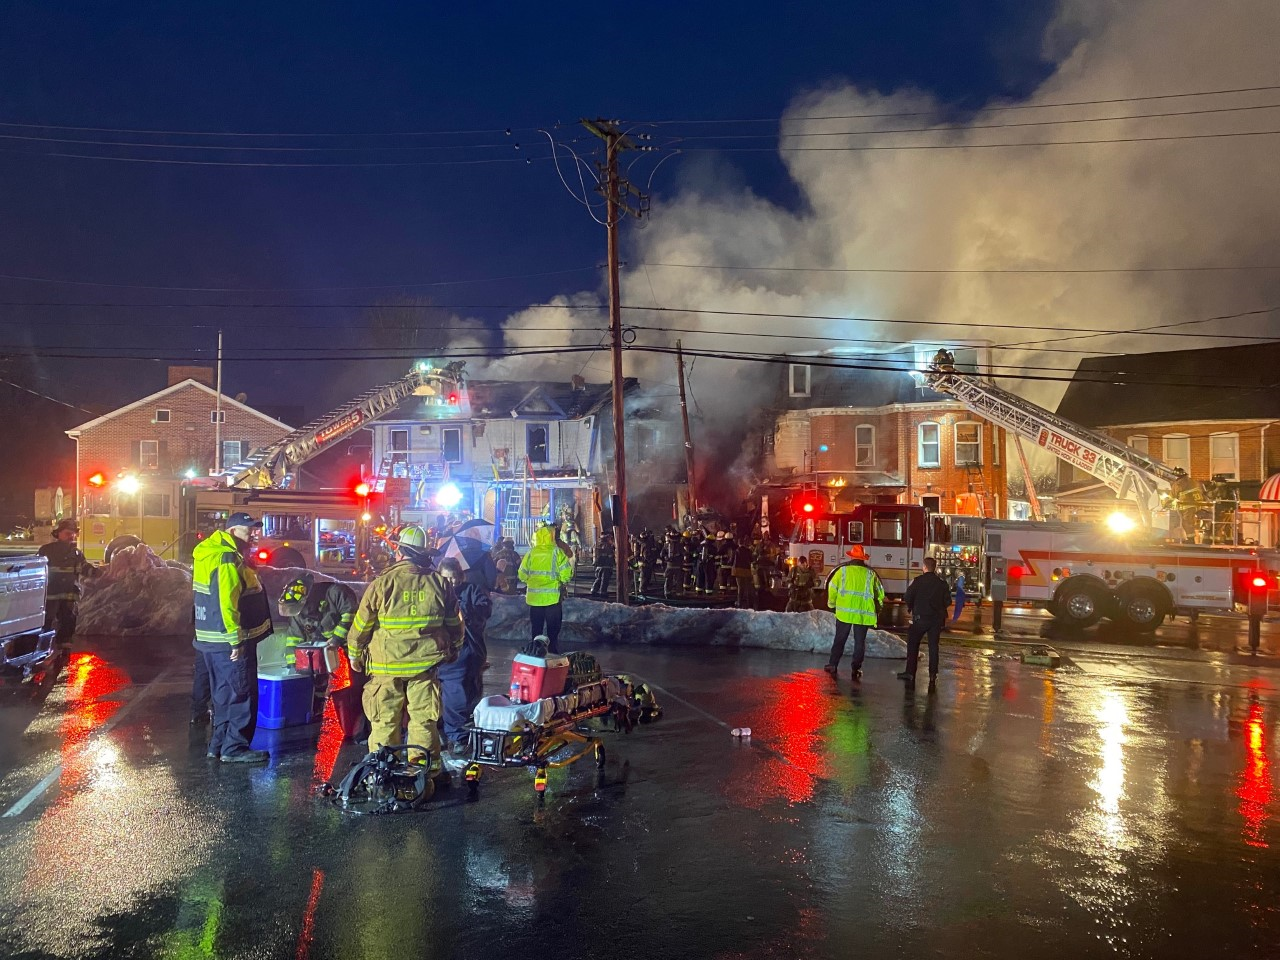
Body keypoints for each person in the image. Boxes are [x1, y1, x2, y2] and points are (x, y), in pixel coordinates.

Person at [347, 525, 462, 774]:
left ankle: (383, 773)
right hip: (425, 666)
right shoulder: (440, 584)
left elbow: (361, 625)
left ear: (399, 551)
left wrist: (355, 654)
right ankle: (424, 775)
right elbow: (455, 625)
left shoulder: (382, 583)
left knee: (385, 721)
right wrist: (453, 649)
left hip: (385, 666)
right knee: (423, 721)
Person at [193, 512, 274, 763]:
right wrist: (235, 640)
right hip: (230, 642)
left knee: (224, 694)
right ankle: (235, 748)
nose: (253, 534)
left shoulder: (212, 553)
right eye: (247, 529)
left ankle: (217, 745)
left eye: (254, 529)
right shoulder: (228, 558)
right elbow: (226, 602)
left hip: (211, 640)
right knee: (242, 693)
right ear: (232, 532)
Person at [436, 557, 492, 753]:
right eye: (446, 578)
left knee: (466, 694)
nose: (451, 582)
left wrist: (465, 612)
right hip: (444, 655)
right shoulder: (435, 594)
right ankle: (452, 733)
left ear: (460, 576)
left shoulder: (472, 590)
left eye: (454, 578)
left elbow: (484, 610)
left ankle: (458, 732)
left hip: (467, 651)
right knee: (449, 696)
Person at [824, 545, 885, 681]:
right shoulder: (870, 574)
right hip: (862, 614)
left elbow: (832, 588)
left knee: (840, 639)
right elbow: (880, 594)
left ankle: (833, 664)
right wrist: (878, 608)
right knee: (859, 642)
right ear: (863, 558)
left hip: (844, 613)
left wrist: (832, 604)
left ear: (851, 556)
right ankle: (856, 668)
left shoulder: (842, 571)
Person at [278, 573, 359, 666]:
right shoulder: (297, 611)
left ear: (307, 600)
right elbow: (294, 639)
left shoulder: (336, 593)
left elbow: (351, 616)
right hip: (323, 657)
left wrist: (336, 639)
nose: (301, 613)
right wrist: (293, 664)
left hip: (350, 650)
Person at [517, 523, 575, 652]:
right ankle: (552, 650)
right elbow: (566, 574)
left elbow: (522, 574)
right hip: (552, 598)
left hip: (534, 599)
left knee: (536, 627)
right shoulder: (557, 552)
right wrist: (561, 581)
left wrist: (531, 581)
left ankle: (535, 650)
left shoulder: (531, 553)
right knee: (553, 628)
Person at [38, 518, 95, 647]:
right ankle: (43, 650)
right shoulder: (46, 550)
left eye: (73, 533)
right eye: (67, 533)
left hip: (69, 594)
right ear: (58, 534)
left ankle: (63, 651)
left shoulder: (76, 553)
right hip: (51, 594)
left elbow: (84, 568)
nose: (71, 536)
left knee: (68, 622)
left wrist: (98, 572)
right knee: (47, 621)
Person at [898, 557, 952, 687]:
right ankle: (933, 675)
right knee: (933, 647)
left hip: (920, 618)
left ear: (924, 567)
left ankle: (910, 673)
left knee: (913, 644)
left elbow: (907, 597)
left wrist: (911, 607)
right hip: (936, 620)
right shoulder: (942, 583)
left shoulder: (917, 581)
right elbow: (948, 601)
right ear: (935, 567)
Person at [590, 531, 614, 598]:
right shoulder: (607, 545)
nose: (611, 540)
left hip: (598, 566)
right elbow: (610, 555)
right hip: (606, 565)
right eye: (611, 538)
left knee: (598, 579)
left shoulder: (598, 543)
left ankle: (594, 590)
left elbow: (592, 551)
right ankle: (603, 593)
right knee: (604, 580)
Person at [733, 537, 755, 609]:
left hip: (738, 570)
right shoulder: (748, 551)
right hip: (746, 570)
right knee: (747, 587)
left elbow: (735, 561)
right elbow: (752, 560)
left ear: (739, 543)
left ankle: (739, 602)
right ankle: (749, 603)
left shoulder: (737, 550)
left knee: (740, 587)